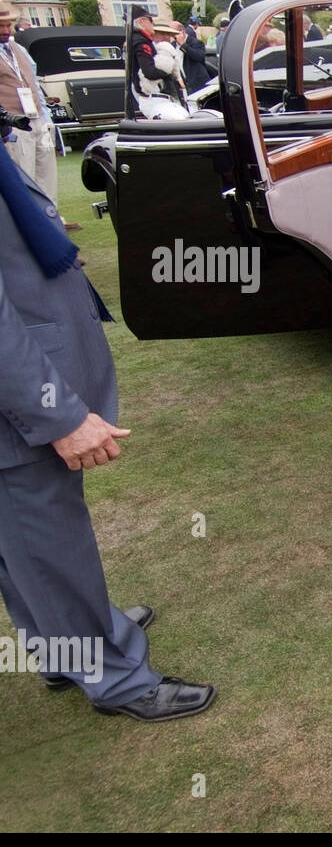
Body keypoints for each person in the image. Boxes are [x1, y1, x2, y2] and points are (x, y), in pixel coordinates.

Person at [0, 148, 215, 721]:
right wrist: (57, 416)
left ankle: (58, 648)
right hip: (17, 410)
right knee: (46, 540)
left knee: (19, 543)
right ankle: (116, 678)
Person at [0, 2, 57, 218]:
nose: (6, 30)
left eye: (8, 25)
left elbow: (33, 81)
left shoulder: (18, 49)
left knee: (46, 170)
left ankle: (51, 215)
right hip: (13, 120)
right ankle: (31, 219)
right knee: (25, 171)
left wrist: (45, 115)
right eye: (1, 26)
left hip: (37, 117)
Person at [127, 6, 186, 120]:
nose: (152, 23)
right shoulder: (141, 42)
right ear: (141, 21)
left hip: (153, 97)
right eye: (150, 20)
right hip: (154, 98)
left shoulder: (135, 40)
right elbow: (149, 72)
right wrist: (168, 72)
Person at [180, 15, 210, 92]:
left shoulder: (189, 33)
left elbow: (199, 55)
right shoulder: (191, 32)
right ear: (196, 24)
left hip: (195, 82)